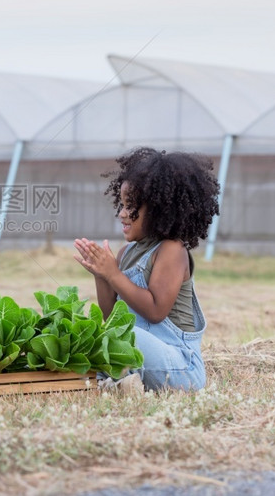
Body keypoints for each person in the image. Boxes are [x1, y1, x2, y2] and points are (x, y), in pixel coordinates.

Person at [74, 147, 219, 392]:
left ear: (161, 209)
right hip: (143, 358)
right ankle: (122, 383)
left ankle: (113, 381)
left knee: (128, 337)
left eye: (131, 207)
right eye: (121, 204)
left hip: (179, 367)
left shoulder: (171, 250)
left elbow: (155, 310)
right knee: (104, 332)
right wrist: (102, 276)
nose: (121, 214)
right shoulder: (126, 254)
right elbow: (112, 317)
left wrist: (113, 274)